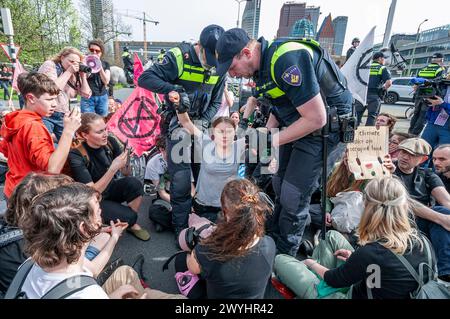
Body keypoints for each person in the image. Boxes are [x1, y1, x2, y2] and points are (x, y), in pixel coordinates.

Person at [215, 28, 353, 256]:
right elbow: (280, 105)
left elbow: (317, 118)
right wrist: (265, 135)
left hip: (323, 129)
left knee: (293, 194)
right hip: (298, 123)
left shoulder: (286, 59)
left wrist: (270, 139)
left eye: (232, 68)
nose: (233, 75)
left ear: (246, 53)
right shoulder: (261, 69)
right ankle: (272, 235)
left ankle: (284, 254)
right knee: (278, 183)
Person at [16, 183, 185, 299]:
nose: (101, 213)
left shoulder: (30, 264)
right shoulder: (88, 293)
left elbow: (88, 273)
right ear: (83, 228)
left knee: (124, 272)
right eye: (97, 210)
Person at [274, 177, 434, 299]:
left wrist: (311, 263)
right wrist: (355, 260)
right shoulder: (423, 241)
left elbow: (332, 279)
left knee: (281, 260)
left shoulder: (372, 252)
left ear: (367, 206)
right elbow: (389, 273)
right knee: (332, 236)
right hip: (373, 287)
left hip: (351, 292)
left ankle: (315, 289)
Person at [138, 25, 226, 237]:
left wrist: (201, 124)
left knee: (203, 176)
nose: (211, 66)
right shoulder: (179, 56)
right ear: (200, 46)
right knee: (181, 181)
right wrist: (173, 89)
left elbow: (216, 100)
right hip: (177, 126)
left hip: (199, 127)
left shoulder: (221, 64)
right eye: (209, 59)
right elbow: (144, 78)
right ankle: (181, 229)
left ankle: (202, 223)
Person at [185, 179, 276, 299]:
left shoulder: (208, 250)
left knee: (181, 261)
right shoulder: (269, 244)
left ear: (226, 213)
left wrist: (193, 249)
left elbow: (192, 267)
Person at [172, 95, 256, 222]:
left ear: (234, 133)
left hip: (226, 206)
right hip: (203, 205)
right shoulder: (206, 143)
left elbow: (263, 135)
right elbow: (186, 123)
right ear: (213, 133)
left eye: (229, 131)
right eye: (220, 131)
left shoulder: (238, 146)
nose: (224, 135)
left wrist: (253, 101)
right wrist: (179, 105)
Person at [68, 113, 150, 241]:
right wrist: (112, 168)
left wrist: (127, 157)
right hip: (92, 200)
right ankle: (119, 221)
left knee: (135, 184)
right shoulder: (76, 154)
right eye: (100, 131)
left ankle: (125, 221)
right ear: (85, 135)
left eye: (105, 129)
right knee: (130, 216)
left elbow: (126, 173)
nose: (105, 134)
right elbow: (91, 194)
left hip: (109, 188)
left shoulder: (110, 143)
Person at [0, 72, 81, 199]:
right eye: (49, 99)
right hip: (30, 194)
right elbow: (52, 168)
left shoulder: (15, 118)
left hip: (13, 188)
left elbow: (6, 150)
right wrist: (68, 131)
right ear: (31, 98)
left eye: (55, 98)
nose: (54, 104)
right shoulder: (33, 126)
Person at [393, 138, 450, 281]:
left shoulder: (427, 174)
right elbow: (403, 203)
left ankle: (444, 272)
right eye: (403, 151)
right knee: (442, 214)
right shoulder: (389, 170)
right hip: (397, 222)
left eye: (411, 154)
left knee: (444, 211)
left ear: (423, 159)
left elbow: (446, 200)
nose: (405, 156)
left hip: (421, 224)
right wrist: (442, 219)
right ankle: (445, 271)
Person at [38, 47, 92, 142]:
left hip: (64, 115)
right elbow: (52, 89)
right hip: (46, 113)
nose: (74, 65)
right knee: (44, 142)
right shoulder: (50, 65)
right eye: (71, 61)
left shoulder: (75, 74)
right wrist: (69, 71)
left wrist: (83, 77)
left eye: (77, 63)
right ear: (62, 58)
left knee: (70, 144)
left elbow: (86, 94)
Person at [409, 53, 447, 135]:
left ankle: (410, 132)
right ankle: (414, 134)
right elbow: (439, 81)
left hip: (419, 94)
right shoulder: (441, 69)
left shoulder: (423, 69)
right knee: (423, 115)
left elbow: (416, 82)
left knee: (416, 113)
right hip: (430, 94)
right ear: (441, 60)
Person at [356, 52, 392, 126]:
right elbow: (389, 83)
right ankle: (367, 135)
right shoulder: (382, 68)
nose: (384, 60)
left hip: (361, 94)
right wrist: (384, 89)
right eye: (384, 58)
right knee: (372, 116)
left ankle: (352, 134)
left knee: (357, 115)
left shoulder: (365, 67)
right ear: (380, 59)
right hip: (374, 95)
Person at [80, 39, 111, 117]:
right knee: (88, 122)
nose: (94, 52)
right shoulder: (84, 62)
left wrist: (99, 66)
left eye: (97, 51)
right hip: (88, 98)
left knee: (102, 121)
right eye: (91, 50)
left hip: (102, 97)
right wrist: (85, 65)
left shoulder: (106, 64)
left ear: (101, 53)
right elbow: (83, 78)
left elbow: (106, 81)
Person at [420, 79, 450, 152]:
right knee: (423, 151)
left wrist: (442, 103)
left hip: (447, 128)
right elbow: (428, 99)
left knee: (442, 155)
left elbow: (441, 102)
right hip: (433, 123)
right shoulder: (442, 84)